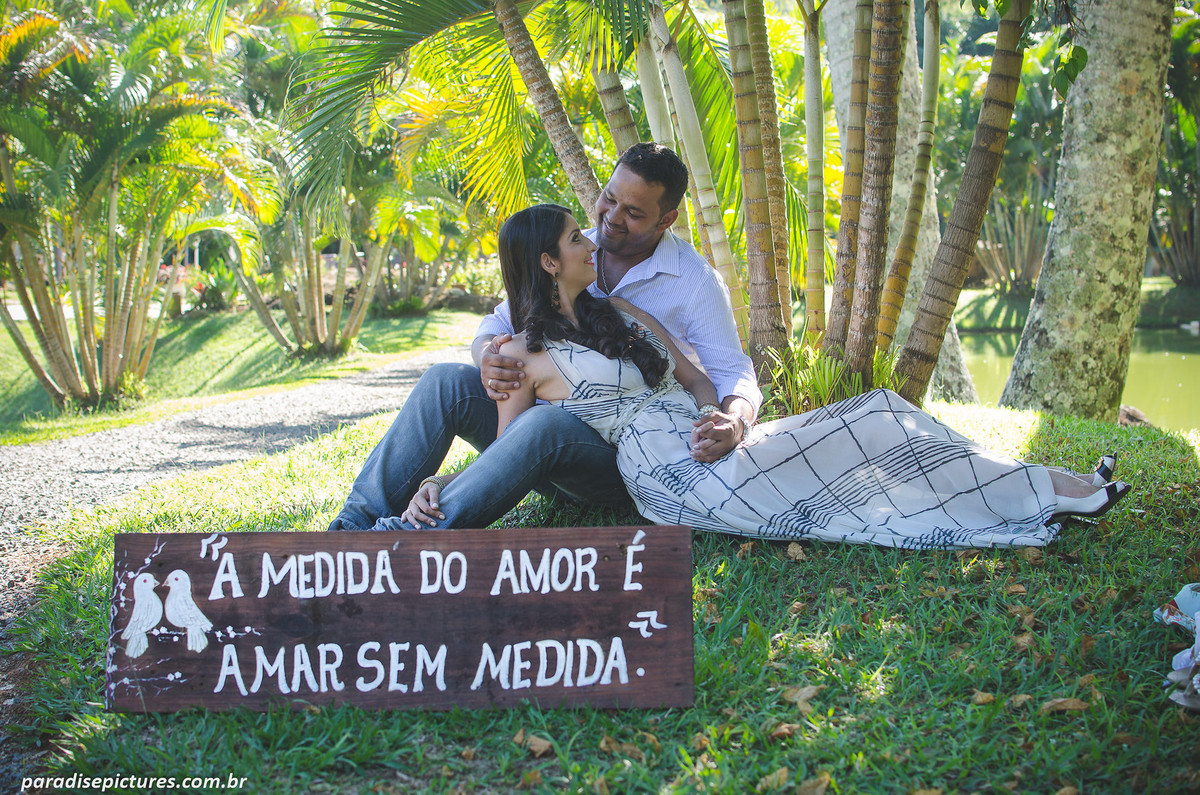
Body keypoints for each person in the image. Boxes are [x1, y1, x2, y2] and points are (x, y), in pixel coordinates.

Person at [401, 203, 1130, 548]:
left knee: (874, 415)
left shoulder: (619, 309)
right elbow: (512, 448)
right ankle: (1044, 499)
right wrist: (443, 485)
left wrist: (721, 418)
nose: (592, 238)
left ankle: (1058, 481)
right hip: (657, 468)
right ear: (548, 263)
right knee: (837, 490)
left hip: (702, 439)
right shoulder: (520, 356)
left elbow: (694, 376)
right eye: (575, 237)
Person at [328, 143, 759, 532]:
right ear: (551, 264)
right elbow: (496, 326)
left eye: (633, 212)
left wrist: (731, 420)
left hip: (614, 453)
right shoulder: (571, 250)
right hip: (534, 435)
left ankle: (407, 541)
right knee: (444, 381)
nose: (610, 218)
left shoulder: (693, 281)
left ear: (667, 219)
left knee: (545, 423)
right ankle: (348, 532)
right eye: (610, 198)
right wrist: (486, 358)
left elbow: (729, 370)